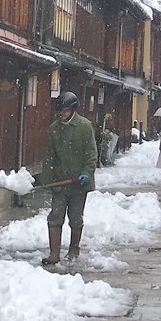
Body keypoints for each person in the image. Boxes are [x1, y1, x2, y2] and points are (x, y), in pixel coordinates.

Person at [39, 92, 98, 266]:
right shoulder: (54, 129)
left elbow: (91, 154)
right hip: (59, 182)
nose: (61, 114)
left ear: (72, 110)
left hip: (79, 183)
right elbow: (49, 157)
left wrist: (87, 173)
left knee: (75, 218)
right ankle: (54, 254)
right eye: (60, 111)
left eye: (65, 111)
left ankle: (74, 249)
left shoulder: (84, 126)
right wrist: (47, 180)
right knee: (55, 217)